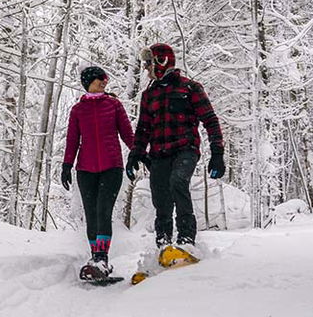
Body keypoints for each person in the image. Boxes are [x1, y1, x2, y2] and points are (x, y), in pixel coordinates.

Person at [125, 43, 224, 249]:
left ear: (161, 62)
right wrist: (135, 154)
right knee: (161, 198)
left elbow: (210, 120)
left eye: (149, 63)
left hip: (185, 149)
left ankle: (186, 239)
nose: (145, 68)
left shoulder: (189, 88)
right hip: (159, 154)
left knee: (178, 181)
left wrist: (217, 153)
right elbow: (143, 128)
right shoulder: (148, 95)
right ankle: (163, 244)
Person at [61, 65, 134, 279]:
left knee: (103, 211)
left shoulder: (114, 105)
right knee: (91, 215)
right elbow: (73, 140)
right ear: (89, 82)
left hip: (112, 167)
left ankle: (102, 258)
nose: (104, 81)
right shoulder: (77, 110)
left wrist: (139, 154)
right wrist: (66, 165)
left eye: (105, 78)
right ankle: (95, 260)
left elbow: (127, 134)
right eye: (100, 78)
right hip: (85, 170)